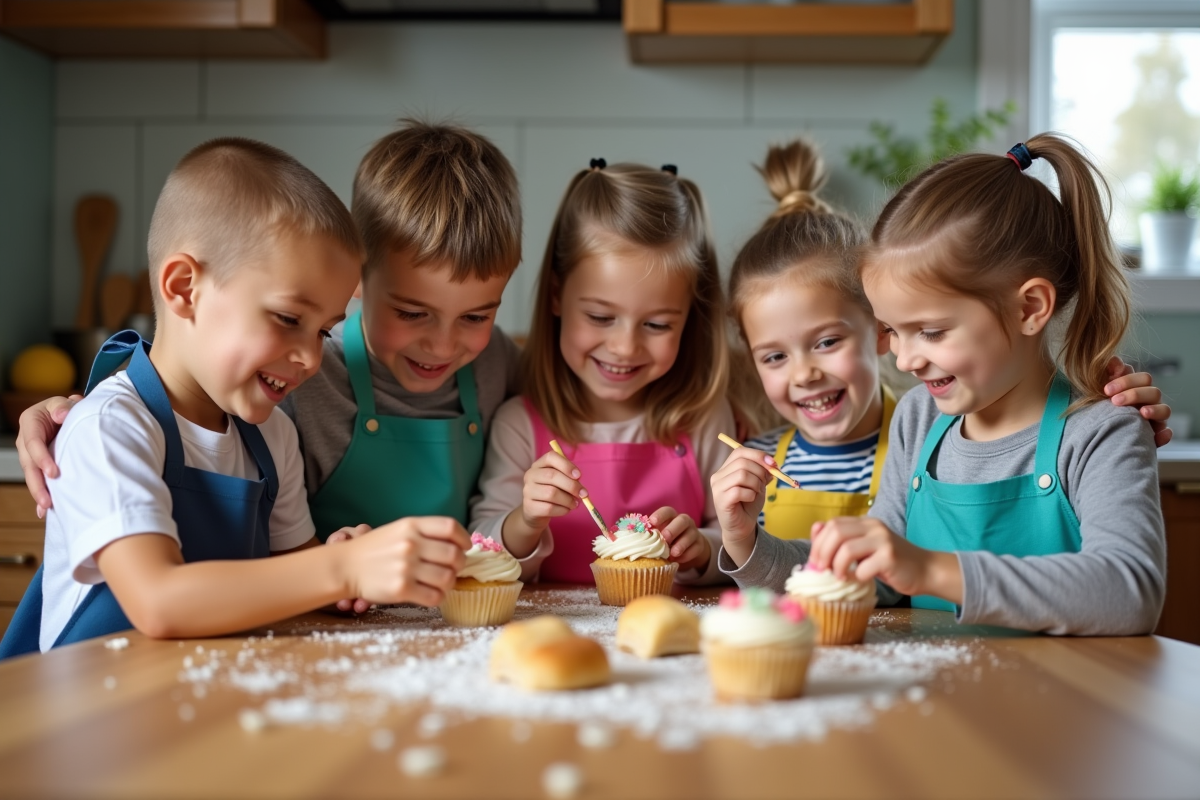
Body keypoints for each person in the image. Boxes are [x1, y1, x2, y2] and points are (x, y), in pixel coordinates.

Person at [0, 139, 469, 658]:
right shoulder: (110, 429)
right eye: (289, 319)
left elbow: (290, 574)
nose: (311, 358)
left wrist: (342, 575)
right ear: (184, 289)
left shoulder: (271, 436)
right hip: (95, 721)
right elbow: (159, 602)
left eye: (323, 331)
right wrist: (340, 570)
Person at [717, 135, 1168, 635]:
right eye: (892, 330)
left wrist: (932, 569)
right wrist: (748, 545)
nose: (906, 358)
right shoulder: (920, 419)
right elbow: (877, 578)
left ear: (1029, 308)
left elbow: (1130, 591)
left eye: (930, 332)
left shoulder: (1101, 431)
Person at [18, 120, 522, 542]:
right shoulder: (294, 381)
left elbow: (576, 402)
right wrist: (69, 414)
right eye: (412, 313)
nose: (442, 344)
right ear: (356, 283)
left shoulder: (498, 364)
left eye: (476, 317)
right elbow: (174, 395)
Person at [469, 160, 734, 584]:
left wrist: (703, 548)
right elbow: (481, 548)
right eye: (599, 316)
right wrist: (526, 520)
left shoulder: (704, 420)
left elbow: (739, 545)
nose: (625, 347)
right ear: (557, 296)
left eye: (657, 325)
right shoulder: (520, 425)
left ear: (691, 319)